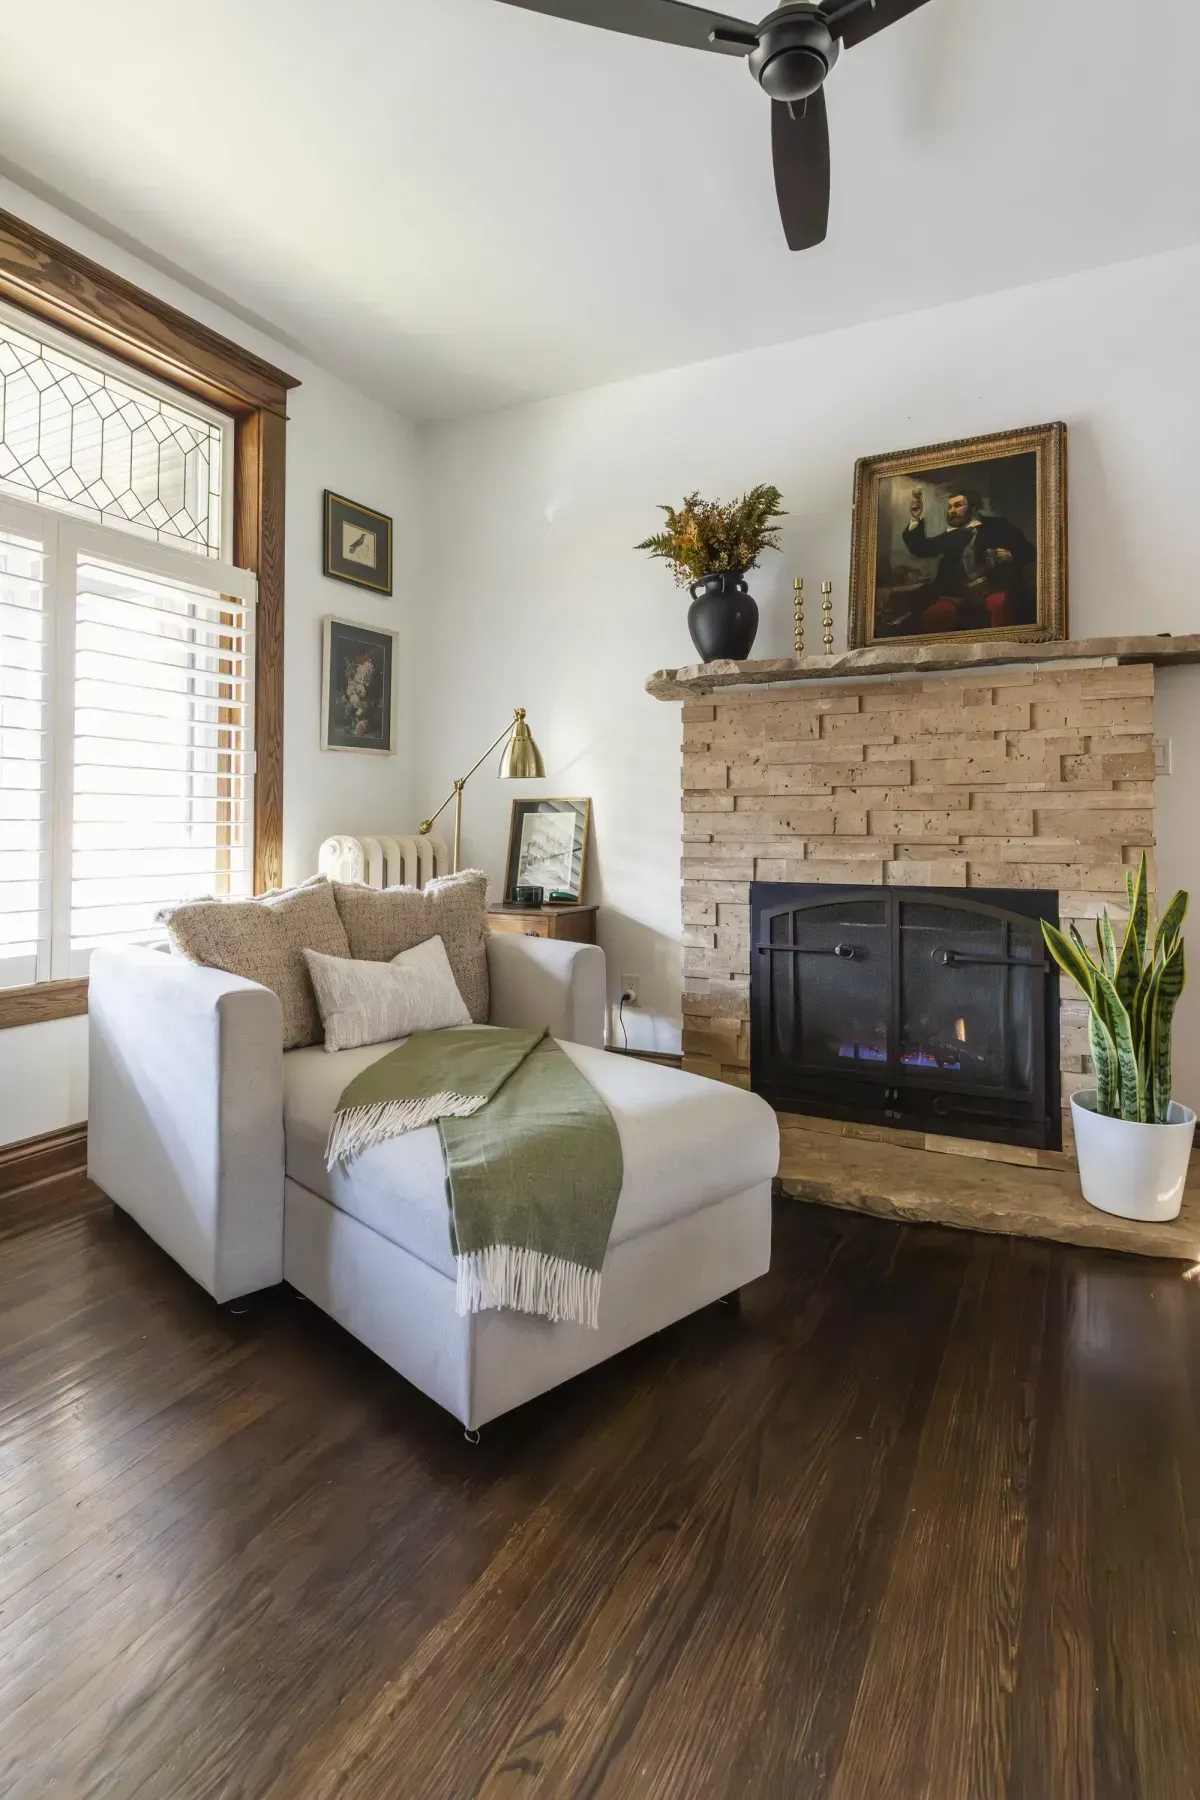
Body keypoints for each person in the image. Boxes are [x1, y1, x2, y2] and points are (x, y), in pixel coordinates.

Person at [901, 486, 1036, 631]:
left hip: (994, 588)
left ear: (973, 507)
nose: (952, 510)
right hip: (958, 594)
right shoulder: (950, 537)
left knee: (1001, 605)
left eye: (958, 505)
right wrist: (915, 518)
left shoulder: (999, 526)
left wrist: (1011, 555)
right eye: (950, 506)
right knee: (936, 614)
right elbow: (920, 547)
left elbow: (1029, 551)